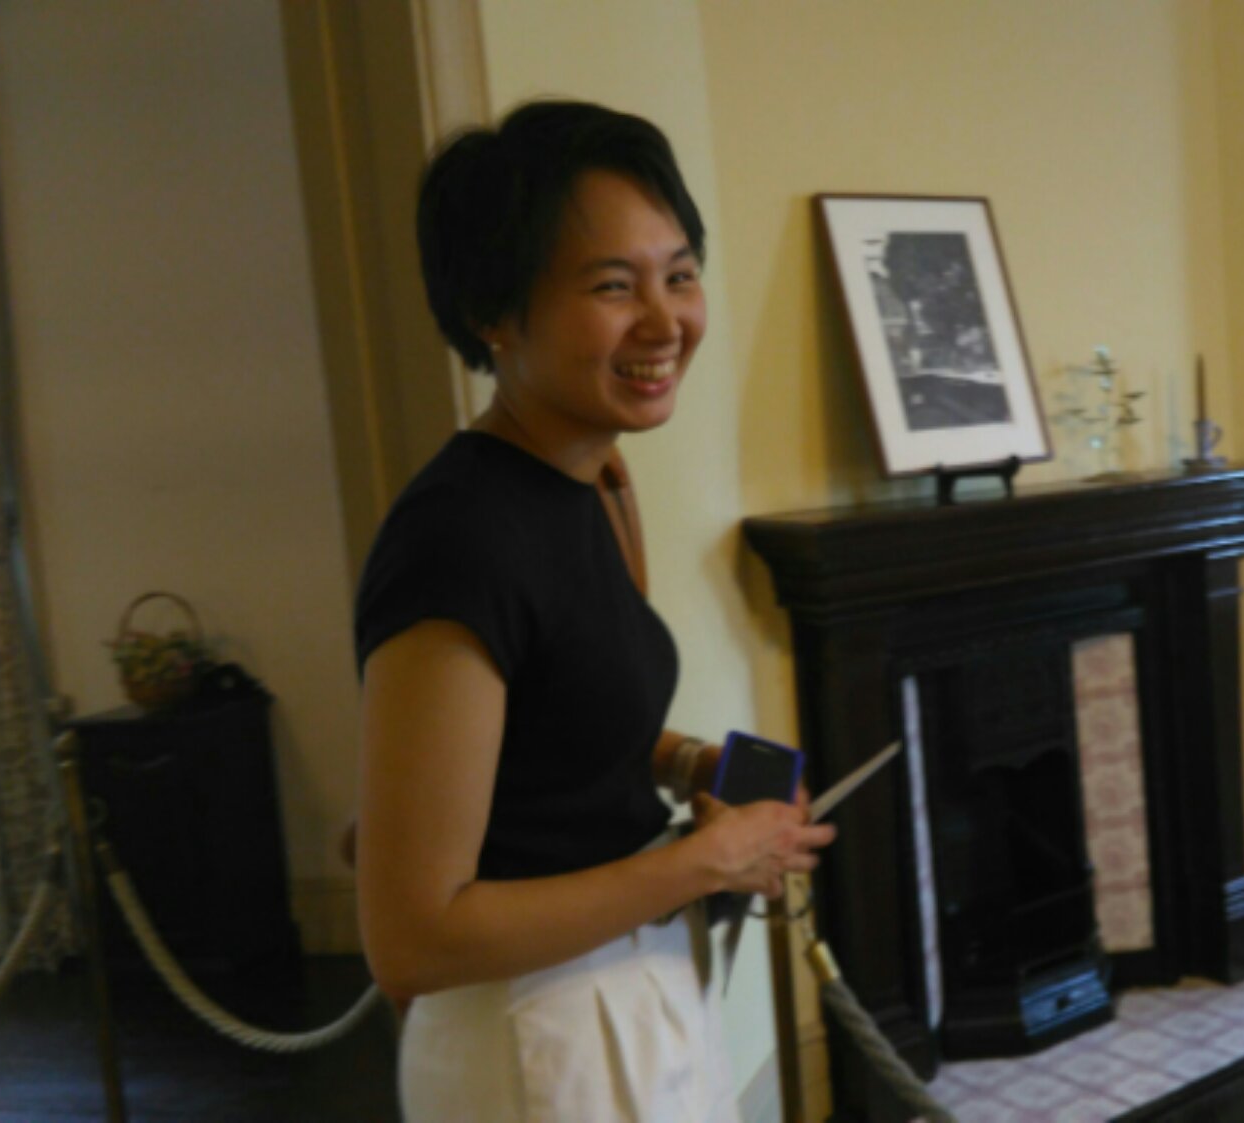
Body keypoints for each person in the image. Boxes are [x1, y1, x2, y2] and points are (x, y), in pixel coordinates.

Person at [353, 101, 835, 1122]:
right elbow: (413, 937)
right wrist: (705, 860)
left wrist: (686, 763)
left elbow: (541, 716)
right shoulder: (459, 539)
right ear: (494, 310)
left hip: (627, 992)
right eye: (613, 286)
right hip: (537, 1039)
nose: (664, 322)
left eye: (679, 275)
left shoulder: (595, 480)